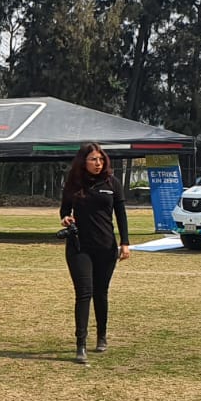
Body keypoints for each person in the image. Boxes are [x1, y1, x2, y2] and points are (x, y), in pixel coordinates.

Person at [59, 142, 131, 364]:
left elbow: (121, 214)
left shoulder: (112, 183)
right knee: (84, 293)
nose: (98, 163)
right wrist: (66, 217)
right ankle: (80, 345)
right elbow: (64, 209)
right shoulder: (73, 184)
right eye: (93, 159)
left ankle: (102, 336)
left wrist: (125, 243)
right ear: (84, 161)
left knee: (101, 292)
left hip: (106, 248)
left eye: (101, 159)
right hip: (79, 248)